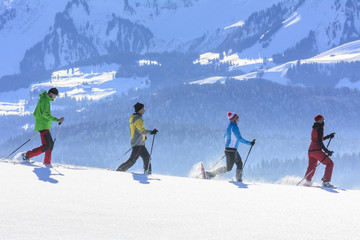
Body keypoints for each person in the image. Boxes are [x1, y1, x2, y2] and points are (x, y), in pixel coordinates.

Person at [206, 112, 255, 182]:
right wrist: (250, 143)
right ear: (234, 119)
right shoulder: (234, 127)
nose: (238, 120)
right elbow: (239, 138)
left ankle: (239, 179)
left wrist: (228, 146)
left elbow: (225, 137)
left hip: (231, 150)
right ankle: (210, 174)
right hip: (231, 151)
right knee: (228, 168)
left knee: (239, 163)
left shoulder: (229, 127)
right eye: (237, 119)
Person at [22, 88, 64, 165]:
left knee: (50, 145)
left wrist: (39, 121)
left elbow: (35, 113)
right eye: (55, 95)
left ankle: (47, 162)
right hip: (43, 126)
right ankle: (27, 155)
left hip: (43, 125)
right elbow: (45, 114)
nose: (55, 97)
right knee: (47, 145)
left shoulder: (43, 99)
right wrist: (57, 120)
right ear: (51, 94)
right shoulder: (45, 100)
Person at [116, 102, 158, 174]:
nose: (144, 110)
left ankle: (148, 172)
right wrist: (151, 132)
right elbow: (142, 130)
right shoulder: (138, 119)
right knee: (133, 160)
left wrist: (144, 136)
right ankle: (119, 170)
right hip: (137, 144)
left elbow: (138, 130)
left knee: (147, 157)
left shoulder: (136, 118)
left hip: (140, 143)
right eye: (143, 109)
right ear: (139, 110)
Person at [303, 114, 335, 188]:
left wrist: (328, 136)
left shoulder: (314, 128)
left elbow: (318, 139)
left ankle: (307, 182)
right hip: (316, 150)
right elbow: (320, 142)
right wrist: (327, 151)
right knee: (330, 163)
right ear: (318, 121)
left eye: (323, 119)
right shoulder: (320, 128)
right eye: (321, 119)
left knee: (312, 166)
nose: (323, 120)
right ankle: (326, 182)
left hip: (310, 151)